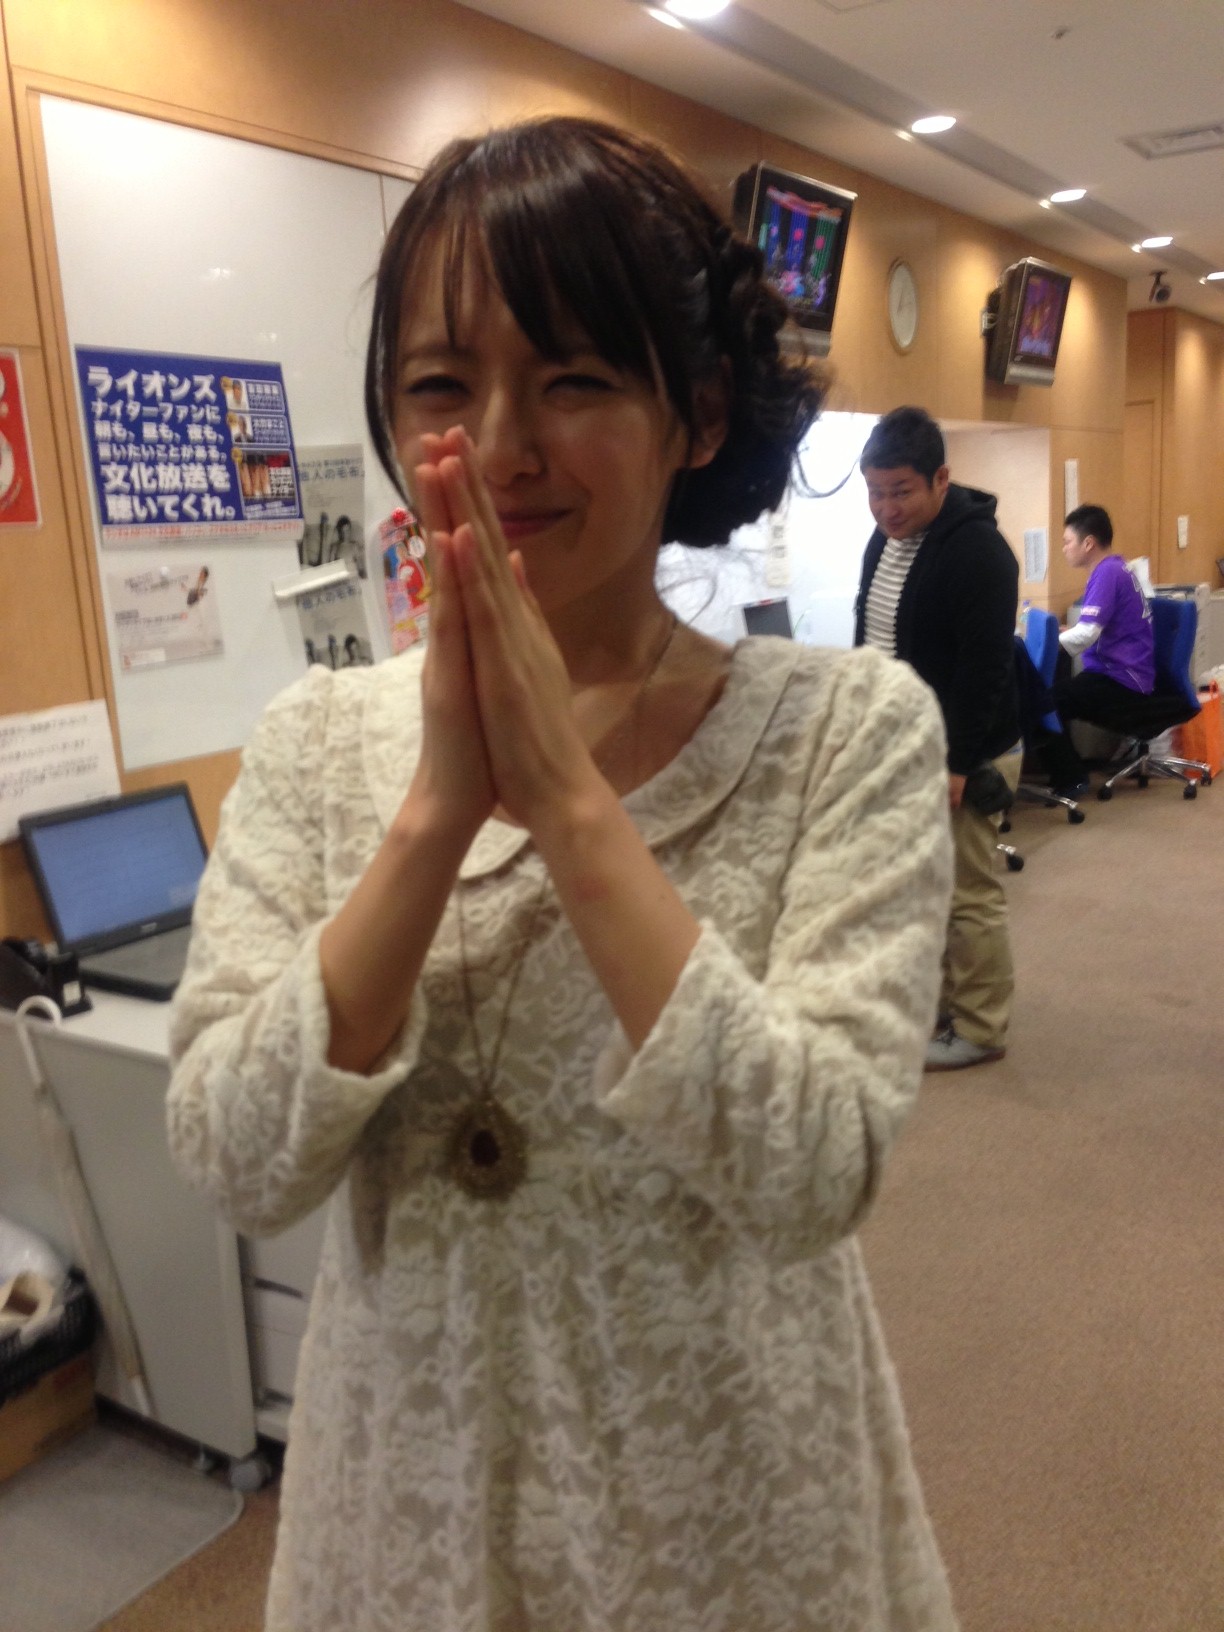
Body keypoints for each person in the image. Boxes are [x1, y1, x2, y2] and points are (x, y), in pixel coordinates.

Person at [167, 118, 957, 1632]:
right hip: (408, 1516)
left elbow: (812, 1168)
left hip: (725, 1519)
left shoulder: (845, 732)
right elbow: (237, 1158)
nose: (501, 444)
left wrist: (568, 805)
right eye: (441, 385)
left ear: (697, 412)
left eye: (575, 379)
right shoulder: (318, 744)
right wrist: (435, 816)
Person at [854, 406, 1020, 1073]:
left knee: (968, 892)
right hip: (904, 746)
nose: (886, 508)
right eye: (875, 492)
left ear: (941, 479)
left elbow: (985, 671)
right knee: (927, 889)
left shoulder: (981, 554)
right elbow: (875, 639)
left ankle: (981, 1027)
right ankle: (947, 1007)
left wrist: (955, 765)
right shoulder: (885, 542)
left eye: (901, 491)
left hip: (966, 752)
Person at [1039, 503, 1155, 795]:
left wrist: (1044, 644)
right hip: (1126, 671)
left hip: (1122, 678)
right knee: (1054, 693)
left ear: (1088, 543)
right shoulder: (1116, 568)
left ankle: (1071, 777)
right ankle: (1068, 769)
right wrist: (1064, 633)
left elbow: (1087, 634)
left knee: (1043, 702)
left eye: (1067, 541)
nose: (1064, 548)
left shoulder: (1107, 573)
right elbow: (1095, 626)